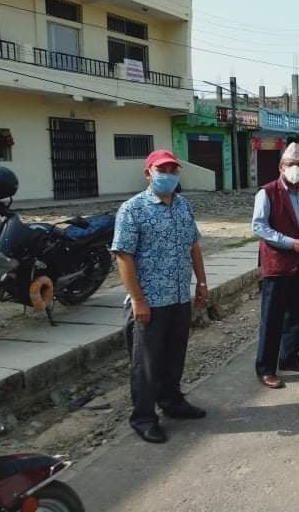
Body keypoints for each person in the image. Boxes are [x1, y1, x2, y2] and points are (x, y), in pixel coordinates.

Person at [112, 150, 208, 444]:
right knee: (146, 363)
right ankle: (143, 417)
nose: (168, 174)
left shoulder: (183, 206)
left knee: (174, 356)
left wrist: (202, 283)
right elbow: (123, 257)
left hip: (179, 297)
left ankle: (172, 402)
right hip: (150, 302)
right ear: (148, 173)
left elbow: (194, 246)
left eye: (173, 170)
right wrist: (138, 300)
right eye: (162, 169)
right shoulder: (133, 209)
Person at [252, 142, 299, 389]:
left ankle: (290, 357)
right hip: (278, 263)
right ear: (281, 167)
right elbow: (259, 226)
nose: (295, 168)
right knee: (272, 318)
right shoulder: (268, 192)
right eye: (291, 164)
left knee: (297, 314)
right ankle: (265, 369)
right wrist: (288, 242)